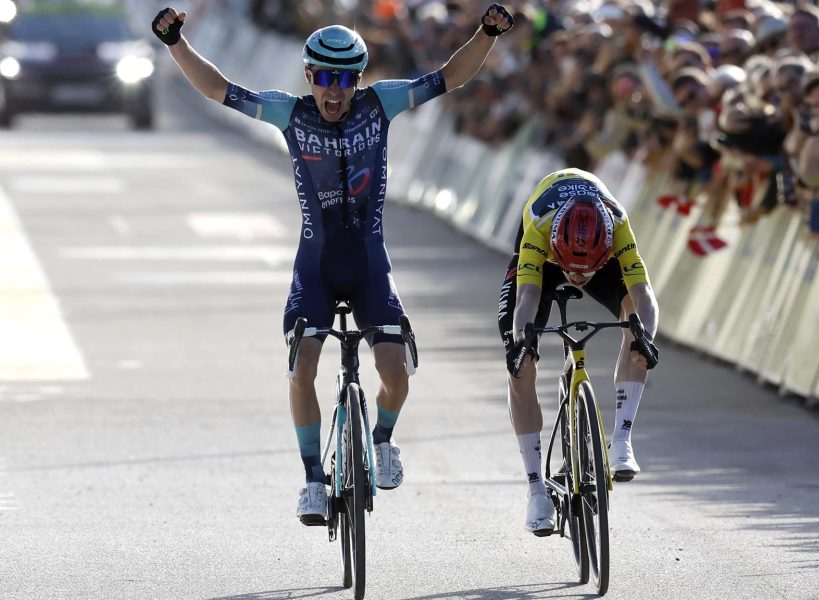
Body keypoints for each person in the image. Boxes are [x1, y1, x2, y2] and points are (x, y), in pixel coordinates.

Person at [151, 4, 513, 525]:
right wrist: (175, 43)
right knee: (303, 367)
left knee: (396, 373)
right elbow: (217, 89)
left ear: (359, 79)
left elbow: (449, 77)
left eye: (345, 80)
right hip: (316, 267)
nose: (335, 91)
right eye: (324, 79)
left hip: (369, 265)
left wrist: (487, 33)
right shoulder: (289, 113)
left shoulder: (381, 103)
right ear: (308, 76)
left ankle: (382, 440)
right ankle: (313, 480)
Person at [497, 168, 659, 534]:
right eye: (576, 271)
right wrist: (522, 341)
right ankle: (536, 489)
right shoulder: (539, 226)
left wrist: (646, 337)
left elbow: (645, 295)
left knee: (637, 328)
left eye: (587, 272)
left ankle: (621, 439)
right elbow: (527, 297)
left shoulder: (616, 224)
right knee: (519, 365)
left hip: (593, 247)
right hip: (546, 262)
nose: (580, 277)